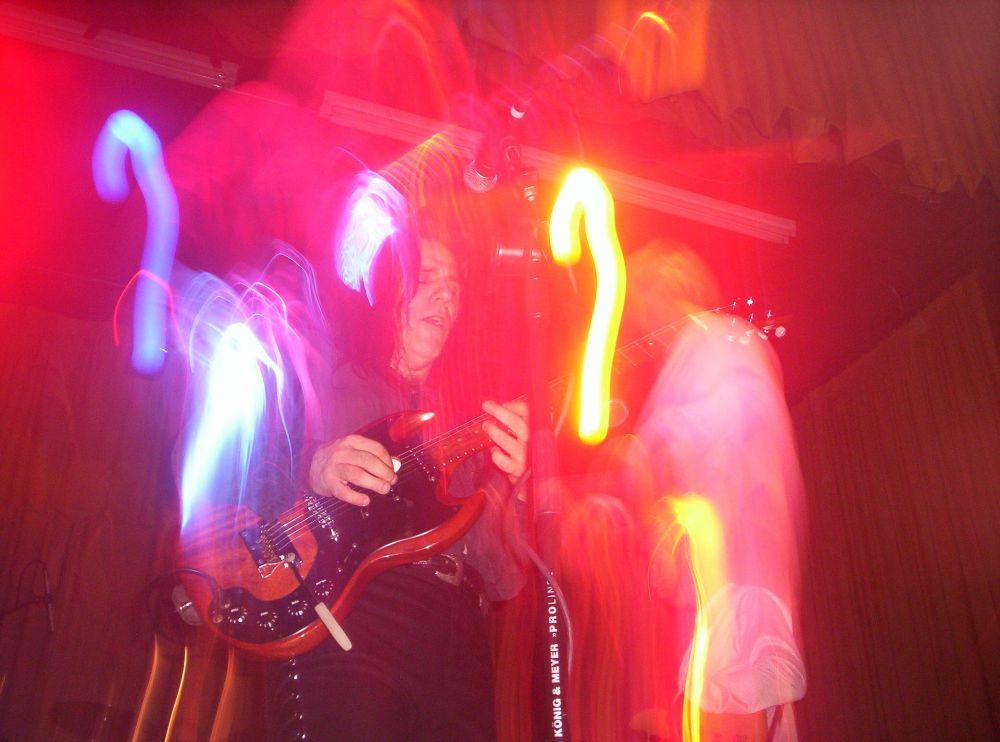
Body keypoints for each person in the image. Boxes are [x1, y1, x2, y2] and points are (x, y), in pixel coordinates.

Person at [267, 227, 530, 741]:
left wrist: (515, 488)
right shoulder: (326, 376)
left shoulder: (470, 426)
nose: (446, 296)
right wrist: (314, 466)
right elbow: (241, 468)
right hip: (358, 610)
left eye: (455, 289)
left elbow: (505, 580)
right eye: (427, 278)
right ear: (386, 289)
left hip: (459, 632)